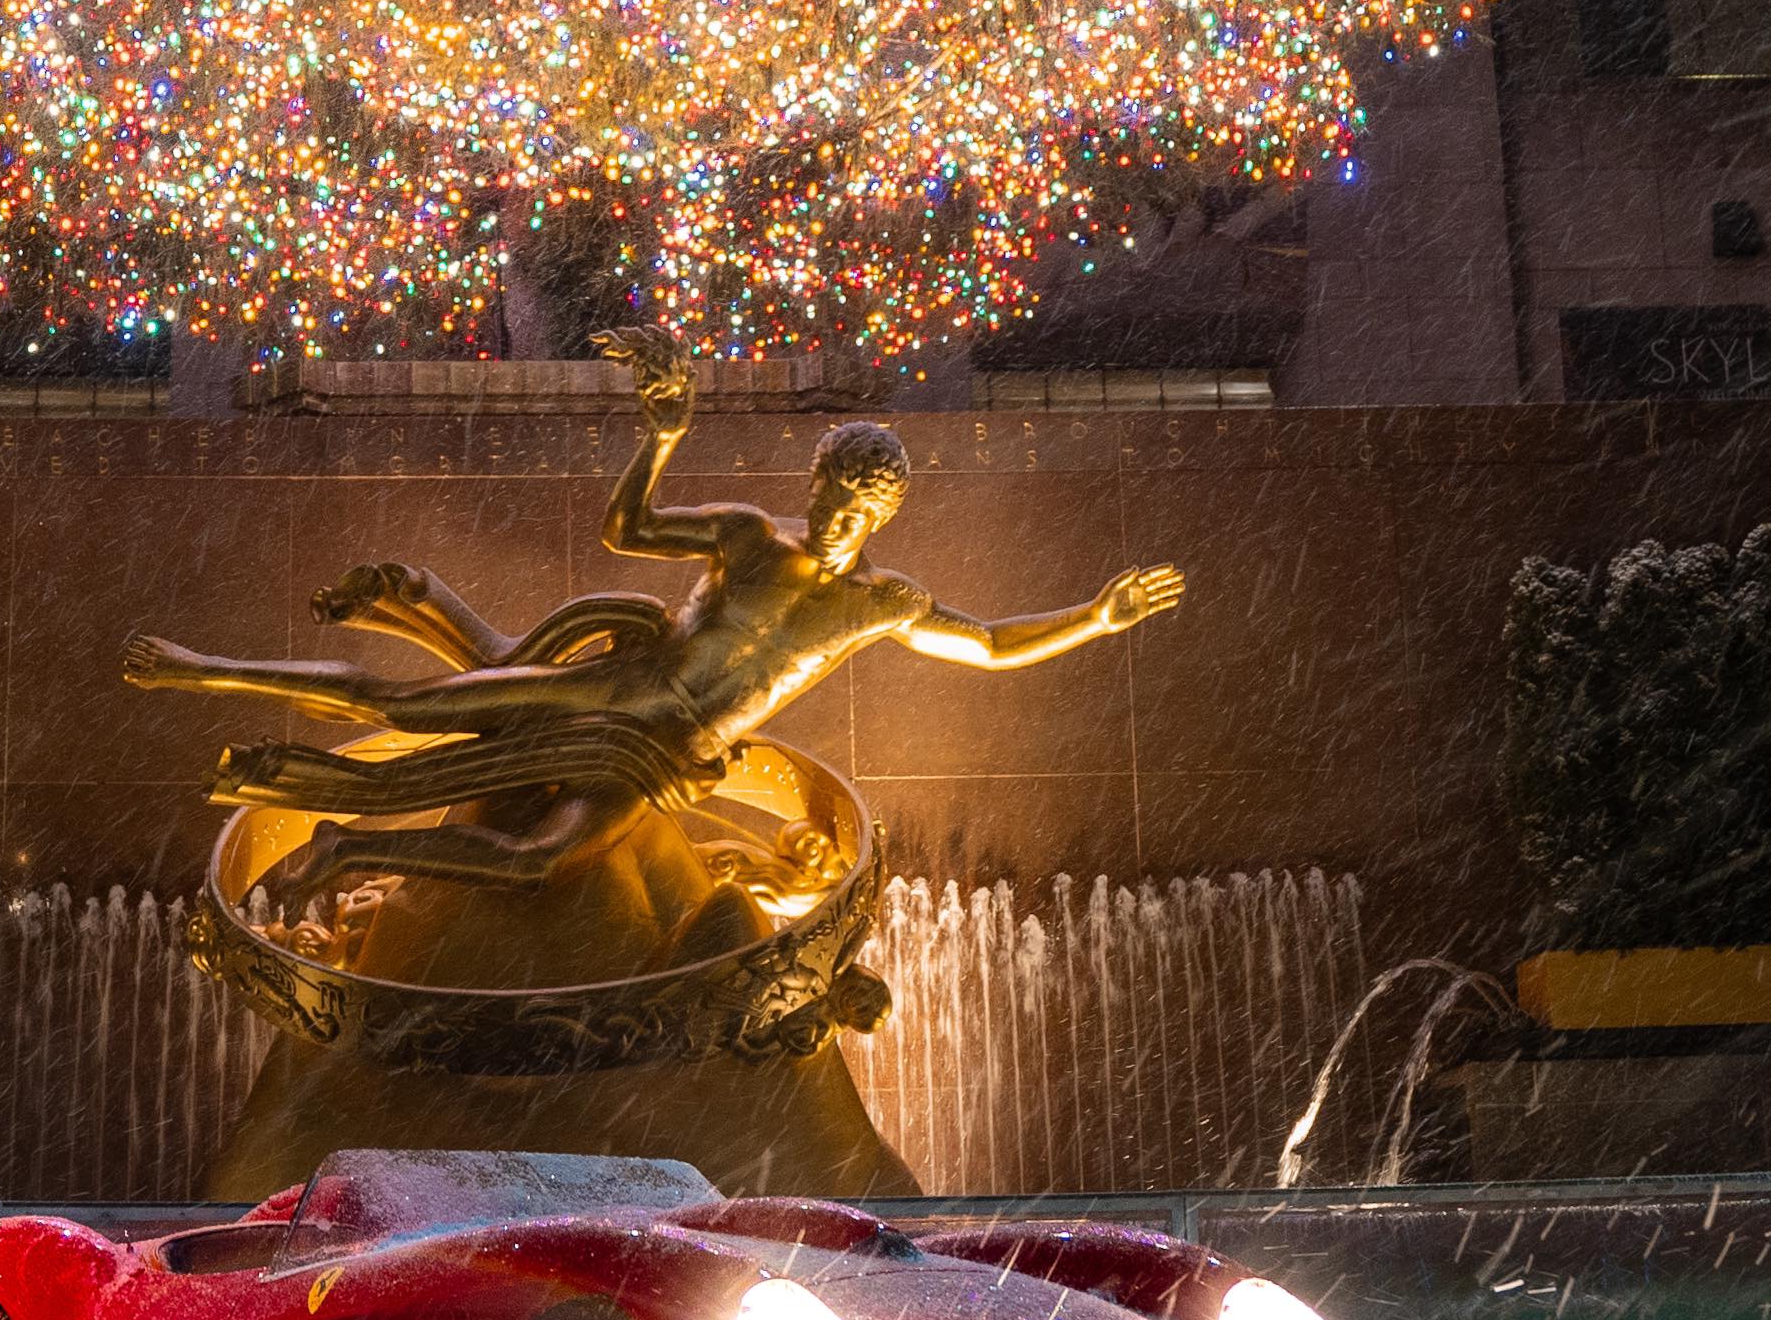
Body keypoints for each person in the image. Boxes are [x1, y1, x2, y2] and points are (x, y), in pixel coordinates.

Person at [123, 327, 1183, 906]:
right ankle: (197, 668)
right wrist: (663, 435)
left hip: (670, 754)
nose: (840, 519)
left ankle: (353, 852)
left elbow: (989, 645)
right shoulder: (746, 537)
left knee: (540, 862)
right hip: (619, 687)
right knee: (412, 705)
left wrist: (1095, 617)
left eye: (861, 511)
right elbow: (626, 529)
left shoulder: (878, 603)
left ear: (884, 516)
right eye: (832, 497)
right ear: (814, 486)